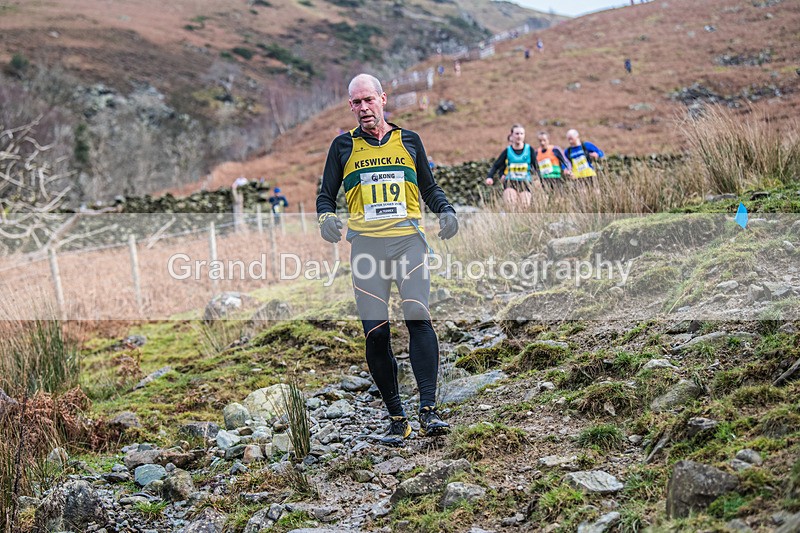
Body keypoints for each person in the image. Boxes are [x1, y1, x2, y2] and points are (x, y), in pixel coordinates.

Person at [316, 73, 458, 446]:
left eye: (369, 100)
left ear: (382, 98)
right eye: (356, 103)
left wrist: (446, 210)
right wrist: (326, 219)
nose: (364, 108)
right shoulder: (342, 147)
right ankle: (398, 416)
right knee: (376, 334)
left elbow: (428, 186)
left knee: (417, 315)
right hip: (366, 248)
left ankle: (429, 411)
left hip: (408, 242)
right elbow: (325, 196)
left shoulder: (409, 141)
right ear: (351, 106)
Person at [485, 124, 538, 208]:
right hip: (510, 182)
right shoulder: (508, 150)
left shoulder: (529, 149)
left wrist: (538, 180)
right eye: (517, 134)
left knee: (524, 207)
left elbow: (536, 166)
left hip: (526, 183)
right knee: (511, 206)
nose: (519, 136)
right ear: (512, 135)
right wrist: (490, 177)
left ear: (524, 135)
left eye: (521, 134)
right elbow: (496, 165)